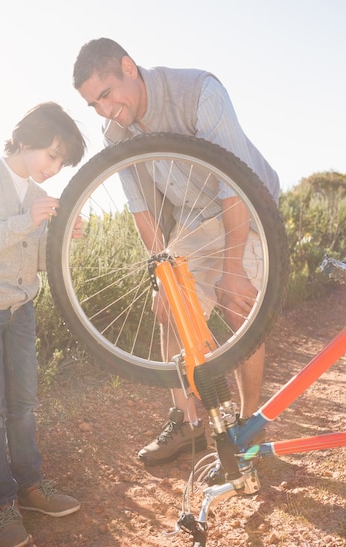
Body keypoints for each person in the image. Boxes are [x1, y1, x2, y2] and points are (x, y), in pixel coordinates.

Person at [73, 38, 280, 466]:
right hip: (193, 218)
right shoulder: (115, 132)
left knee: (237, 299)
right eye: (94, 104)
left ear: (129, 67)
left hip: (249, 202)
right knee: (170, 305)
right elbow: (142, 209)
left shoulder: (200, 92)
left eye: (106, 95)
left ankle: (248, 426)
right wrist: (162, 270)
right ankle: (187, 424)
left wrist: (232, 267)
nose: (105, 110)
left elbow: (233, 184)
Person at [0, 102, 86, 547]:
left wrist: (63, 232)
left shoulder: (33, 195)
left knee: (24, 403)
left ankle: (31, 487)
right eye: (52, 155)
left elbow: (34, 259)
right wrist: (28, 220)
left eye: (61, 163)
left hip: (20, 310)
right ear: (26, 140)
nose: (54, 167)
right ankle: (2, 503)